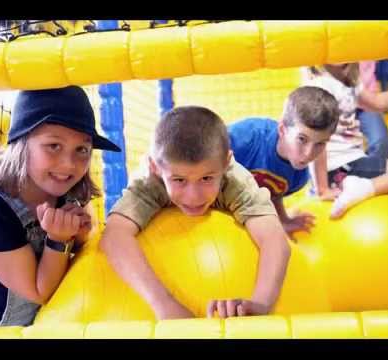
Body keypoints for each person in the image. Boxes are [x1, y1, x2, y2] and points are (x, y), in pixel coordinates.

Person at [100, 105, 291, 320]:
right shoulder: (149, 182)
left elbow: (274, 238)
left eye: (207, 178)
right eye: (179, 180)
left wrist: (261, 303)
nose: (194, 197)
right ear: (156, 167)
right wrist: (163, 304)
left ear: (226, 163)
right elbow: (114, 236)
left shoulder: (234, 179)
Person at [0, 85, 121, 327]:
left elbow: (74, 258)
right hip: (7, 331)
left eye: (82, 150)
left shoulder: (67, 190)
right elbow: (39, 293)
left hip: (58, 318)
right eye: (54, 146)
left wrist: (80, 237)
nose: (68, 164)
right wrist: (58, 240)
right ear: (22, 143)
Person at [303, 63, 388, 218]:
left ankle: (357, 187)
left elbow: (378, 103)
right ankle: (359, 188)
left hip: (349, 164)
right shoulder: (320, 86)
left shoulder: (347, 82)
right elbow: (316, 137)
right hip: (340, 166)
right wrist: (322, 188)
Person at [228, 86, 340, 234]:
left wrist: (284, 220)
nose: (308, 154)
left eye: (320, 143)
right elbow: (204, 151)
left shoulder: (298, 177)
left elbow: (272, 195)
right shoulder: (246, 138)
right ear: (282, 130)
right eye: (302, 139)